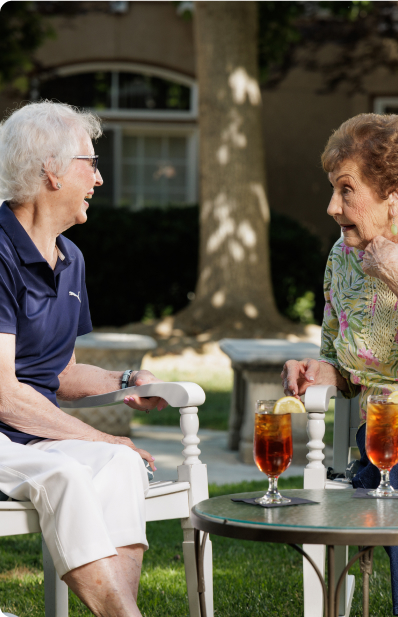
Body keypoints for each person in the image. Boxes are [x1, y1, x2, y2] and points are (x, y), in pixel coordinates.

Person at [282, 113, 398, 617]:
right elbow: (339, 353)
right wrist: (324, 372)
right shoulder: (342, 256)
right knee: (393, 464)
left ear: (396, 195)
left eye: (345, 190)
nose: (332, 206)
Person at [0, 100, 168, 617]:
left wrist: (126, 378)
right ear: (51, 170)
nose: (98, 179)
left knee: (120, 464)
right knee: (72, 475)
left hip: (30, 437)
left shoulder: (70, 258)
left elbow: (62, 370)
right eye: (90, 163)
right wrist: (98, 435)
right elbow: (4, 393)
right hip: (5, 430)